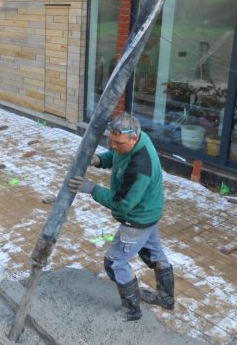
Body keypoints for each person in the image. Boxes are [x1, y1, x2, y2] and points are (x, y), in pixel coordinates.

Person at [67, 113, 174, 321]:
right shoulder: (136, 140)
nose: (114, 146)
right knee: (155, 255)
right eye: (111, 141)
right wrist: (99, 160)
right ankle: (166, 299)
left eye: (118, 142)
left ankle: (131, 311)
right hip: (150, 211)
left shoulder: (141, 166)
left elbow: (123, 204)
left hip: (137, 218)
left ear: (134, 138)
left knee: (115, 262)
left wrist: (92, 189)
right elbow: (117, 156)